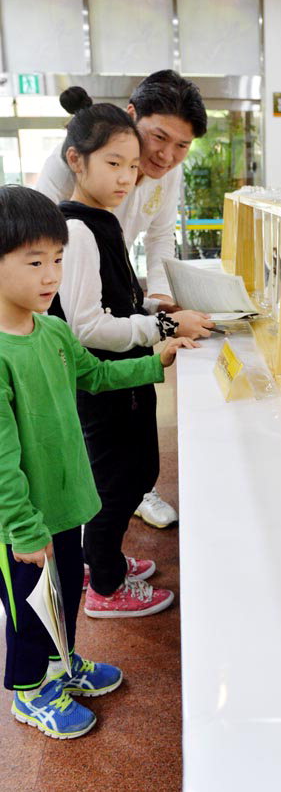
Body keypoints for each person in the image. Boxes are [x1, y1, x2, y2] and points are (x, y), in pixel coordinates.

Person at [0, 185, 196, 738]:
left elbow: (98, 376)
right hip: (22, 523)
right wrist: (20, 528)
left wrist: (155, 361)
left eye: (58, 260)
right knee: (29, 611)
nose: (50, 276)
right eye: (34, 261)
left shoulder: (55, 332)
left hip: (65, 506)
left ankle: (64, 668)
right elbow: (1, 459)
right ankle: (29, 691)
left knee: (62, 595)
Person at [48, 88, 207, 618]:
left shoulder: (102, 221)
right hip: (104, 379)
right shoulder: (75, 228)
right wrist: (159, 324)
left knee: (136, 471)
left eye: (132, 166)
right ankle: (105, 585)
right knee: (116, 481)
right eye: (115, 163)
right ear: (76, 160)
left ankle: (104, 555)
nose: (127, 177)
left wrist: (148, 306)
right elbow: (86, 326)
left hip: (125, 372)